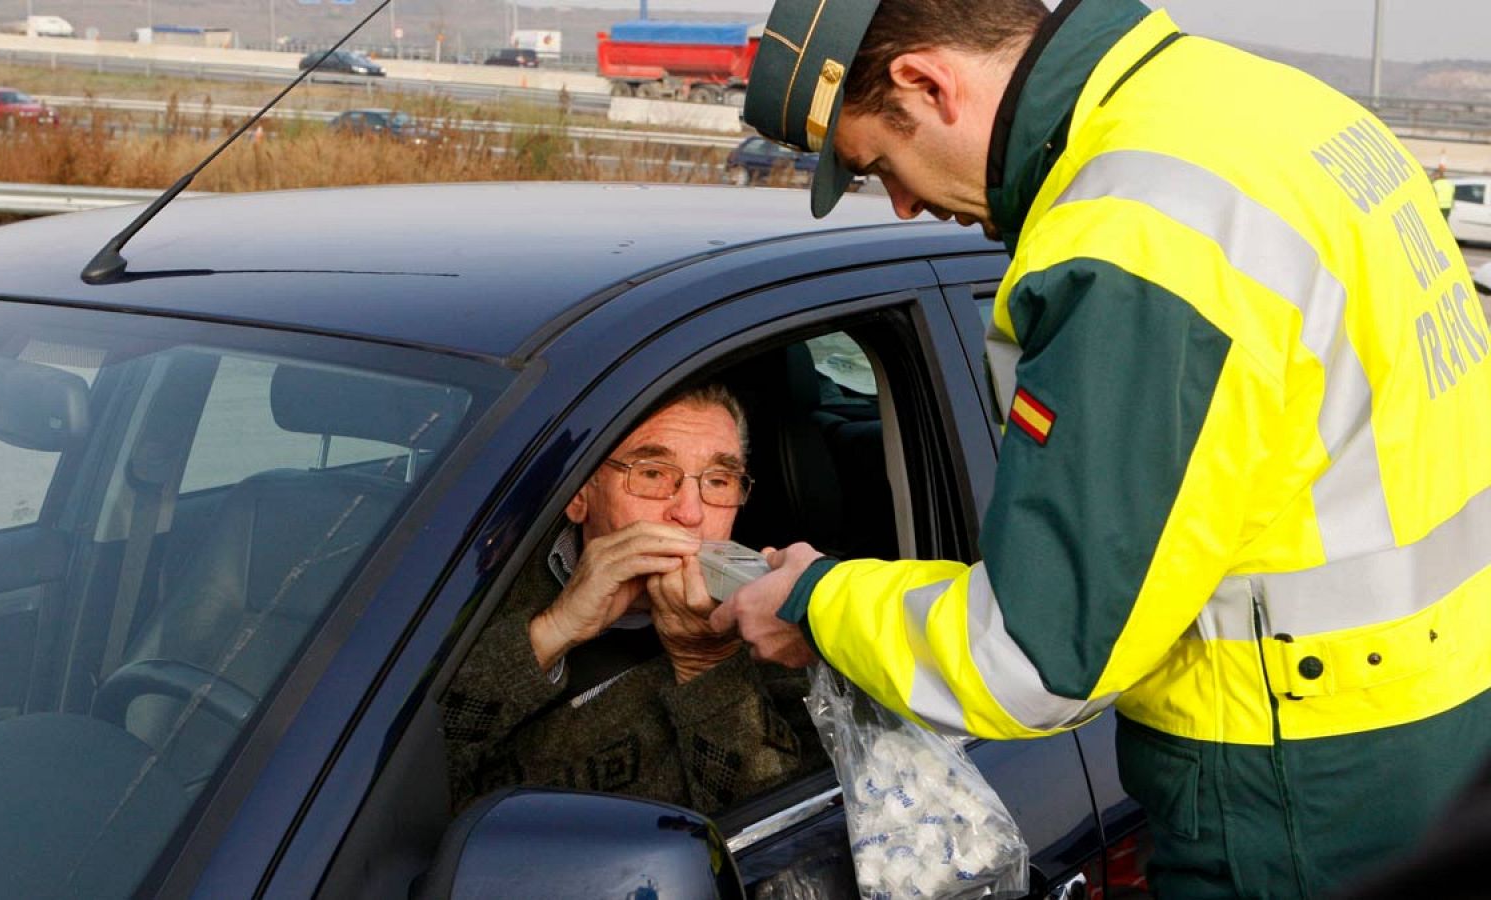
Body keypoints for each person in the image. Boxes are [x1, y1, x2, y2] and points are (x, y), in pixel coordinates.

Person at [714, 0, 1491, 896]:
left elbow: (1036, 661)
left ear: (926, 82)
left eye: (877, 163)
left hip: (1291, 790)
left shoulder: (1136, 234)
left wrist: (818, 601)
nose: (903, 202)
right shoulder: (1278, 113)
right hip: (1441, 729)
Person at [443, 383, 814, 815]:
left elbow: (771, 835)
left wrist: (707, 666)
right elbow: (391, 766)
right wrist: (553, 630)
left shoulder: (777, 635)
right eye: (653, 473)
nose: (690, 514)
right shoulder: (474, 581)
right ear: (580, 495)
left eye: (718, 481)